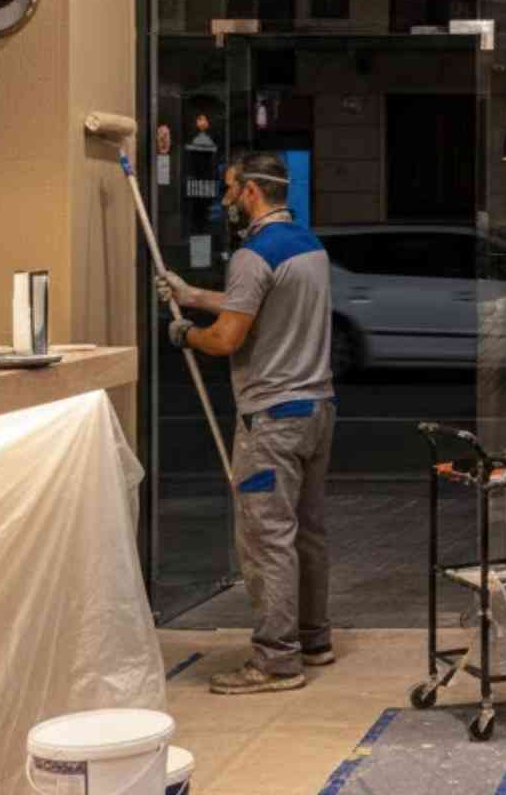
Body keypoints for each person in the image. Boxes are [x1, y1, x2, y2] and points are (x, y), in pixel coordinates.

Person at [160, 150, 337, 695]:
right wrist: (192, 296)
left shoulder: (252, 255)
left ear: (252, 192)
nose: (225, 199)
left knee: (267, 539)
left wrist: (184, 332)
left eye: (230, 188)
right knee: (305, 533)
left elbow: (227, 337)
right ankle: (313, 638)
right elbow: (254, 304)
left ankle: (276, 661)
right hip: (316, 410)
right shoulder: (310, 248)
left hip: (273, 420)